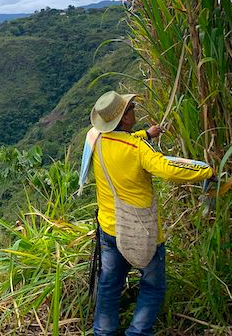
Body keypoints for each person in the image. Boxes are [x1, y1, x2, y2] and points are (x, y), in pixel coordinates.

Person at [77, 91, 213, 336]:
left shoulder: (95, 139)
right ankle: (137, 332)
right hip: (140, 230)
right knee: (152, 286)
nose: (134, 110)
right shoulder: (137, 149)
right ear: (125, 119)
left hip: (108, 228)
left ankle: (103, 332)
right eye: (131, 108)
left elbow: (119, 142)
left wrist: (147, 134)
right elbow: (167, 168)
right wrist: (205, 171)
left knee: (109, 285)